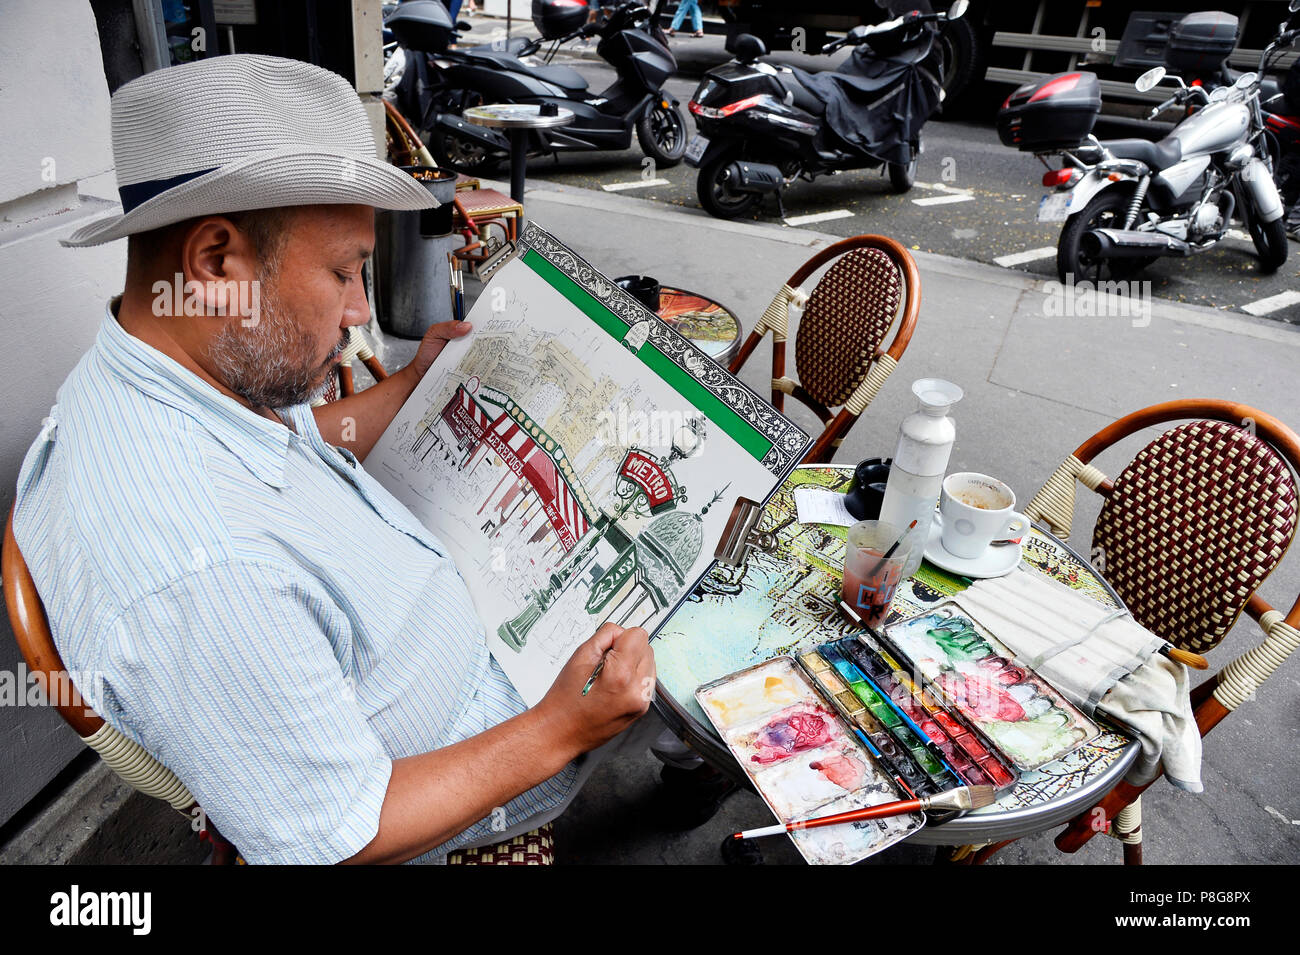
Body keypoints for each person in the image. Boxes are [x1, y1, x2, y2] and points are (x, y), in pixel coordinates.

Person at [12, 54, 657, 865]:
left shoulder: (163, 362)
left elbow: (293, 441)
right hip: (454, 808)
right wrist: (561, 728)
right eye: (346, 271)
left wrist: (413, 386)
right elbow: (337, 834)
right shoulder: (199, 569)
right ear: (216, 262)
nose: (359, 314)